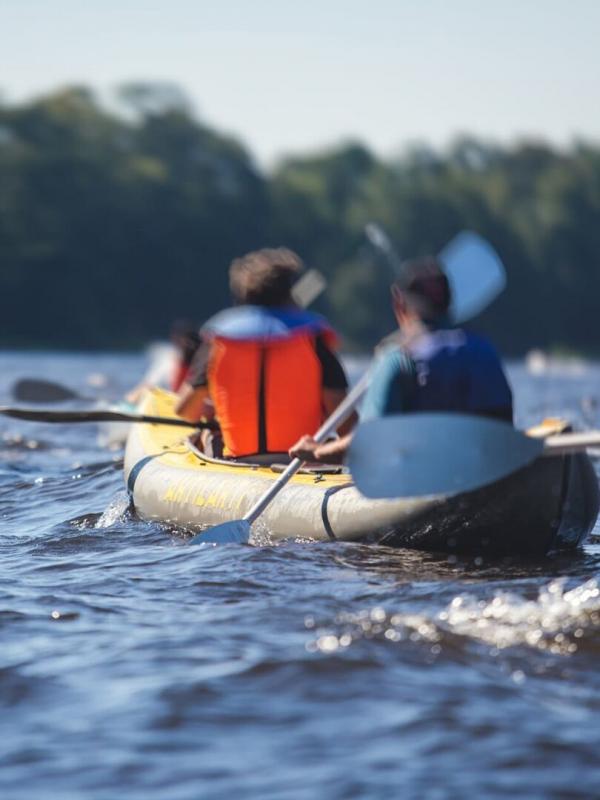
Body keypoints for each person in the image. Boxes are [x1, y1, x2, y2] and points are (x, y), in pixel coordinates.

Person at [290, 255, 513, 463]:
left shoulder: (397, 359)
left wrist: (317, 451)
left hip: (422, 479)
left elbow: (369, 443)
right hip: (482, 470)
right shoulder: (484, 350)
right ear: (448, 303)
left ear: (399, 303)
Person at [176, 247, 354, 458]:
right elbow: (346, 426)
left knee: (208, 432)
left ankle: (215, 442)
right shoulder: (313, 340)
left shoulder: (219, 342)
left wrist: (213, 414)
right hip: (299, 463)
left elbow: (185, 411)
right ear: (289, 293)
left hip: (237, 462)